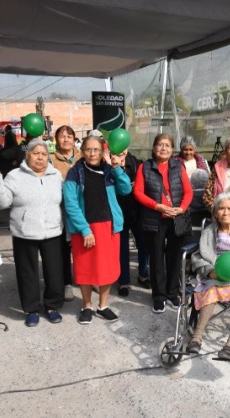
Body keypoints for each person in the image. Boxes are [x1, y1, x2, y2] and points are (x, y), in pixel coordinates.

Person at [0, 138, 65, 327]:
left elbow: (63, 201)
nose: (40, 157)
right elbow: (2, 203)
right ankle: (31, 309)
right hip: (24, 232)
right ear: (27, 155)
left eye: (44, 154)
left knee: (54, 272)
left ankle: (52, 306)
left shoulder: (56, 175)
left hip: (52, 231)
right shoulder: (15, 176)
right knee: (27, 273)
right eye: (36, 153)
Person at [64, 136, 131, 324]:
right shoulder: (74, 173)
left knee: (107, 268)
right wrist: (85, 230)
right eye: (88, 149)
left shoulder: (110, 170)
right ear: (82, 151)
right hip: (84, 228)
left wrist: (117, 168)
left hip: (109, 227)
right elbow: (70, 204)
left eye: (96, 150)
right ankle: (86, 305)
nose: (92, 153)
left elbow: (126, 189)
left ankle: (103, 306)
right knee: (84, 268)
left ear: (103, 152)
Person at [187, 192, 230, 359]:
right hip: (215, 272)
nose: (226, 212)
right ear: (215, 213)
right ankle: (197, 338)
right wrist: (209, 270)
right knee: (210, 291)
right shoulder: (209, 231)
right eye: (221, 208)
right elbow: (199, 255)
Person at [133, 134, 193, 313]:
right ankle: (158, 296)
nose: (163, 148)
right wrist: (157, 206)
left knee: (175, 257)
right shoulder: (144, 167)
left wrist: (181, 208)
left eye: (167, 145)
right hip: (154, 219)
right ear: (153, 148)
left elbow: (188, 192)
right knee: (157, 258)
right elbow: (138, 192)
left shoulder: (178, 166)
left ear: (172, 149)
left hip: (176, 219)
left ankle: (172, 293)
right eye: (160, 144)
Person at [49, 125, 82, 301]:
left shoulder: (83, 155)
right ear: (56, 140)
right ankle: (66, 283)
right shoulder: (51, 159)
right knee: (64, 247)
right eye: (62, 136)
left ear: (74, 139)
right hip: (60, 209)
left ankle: (86, 278)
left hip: (82, 208)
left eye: (69, 136)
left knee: (83, 244)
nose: (66, 139)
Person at [111, 147, 150, 296]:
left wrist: (136, 186)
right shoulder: (107, 164)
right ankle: (124, 281)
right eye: (117, 147)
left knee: (144, 245)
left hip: (137, 211)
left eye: (123, 148)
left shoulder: (136, 163)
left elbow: (145, 184)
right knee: (122, 249)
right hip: (118, 213)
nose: (120, 151)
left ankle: (143, 274)